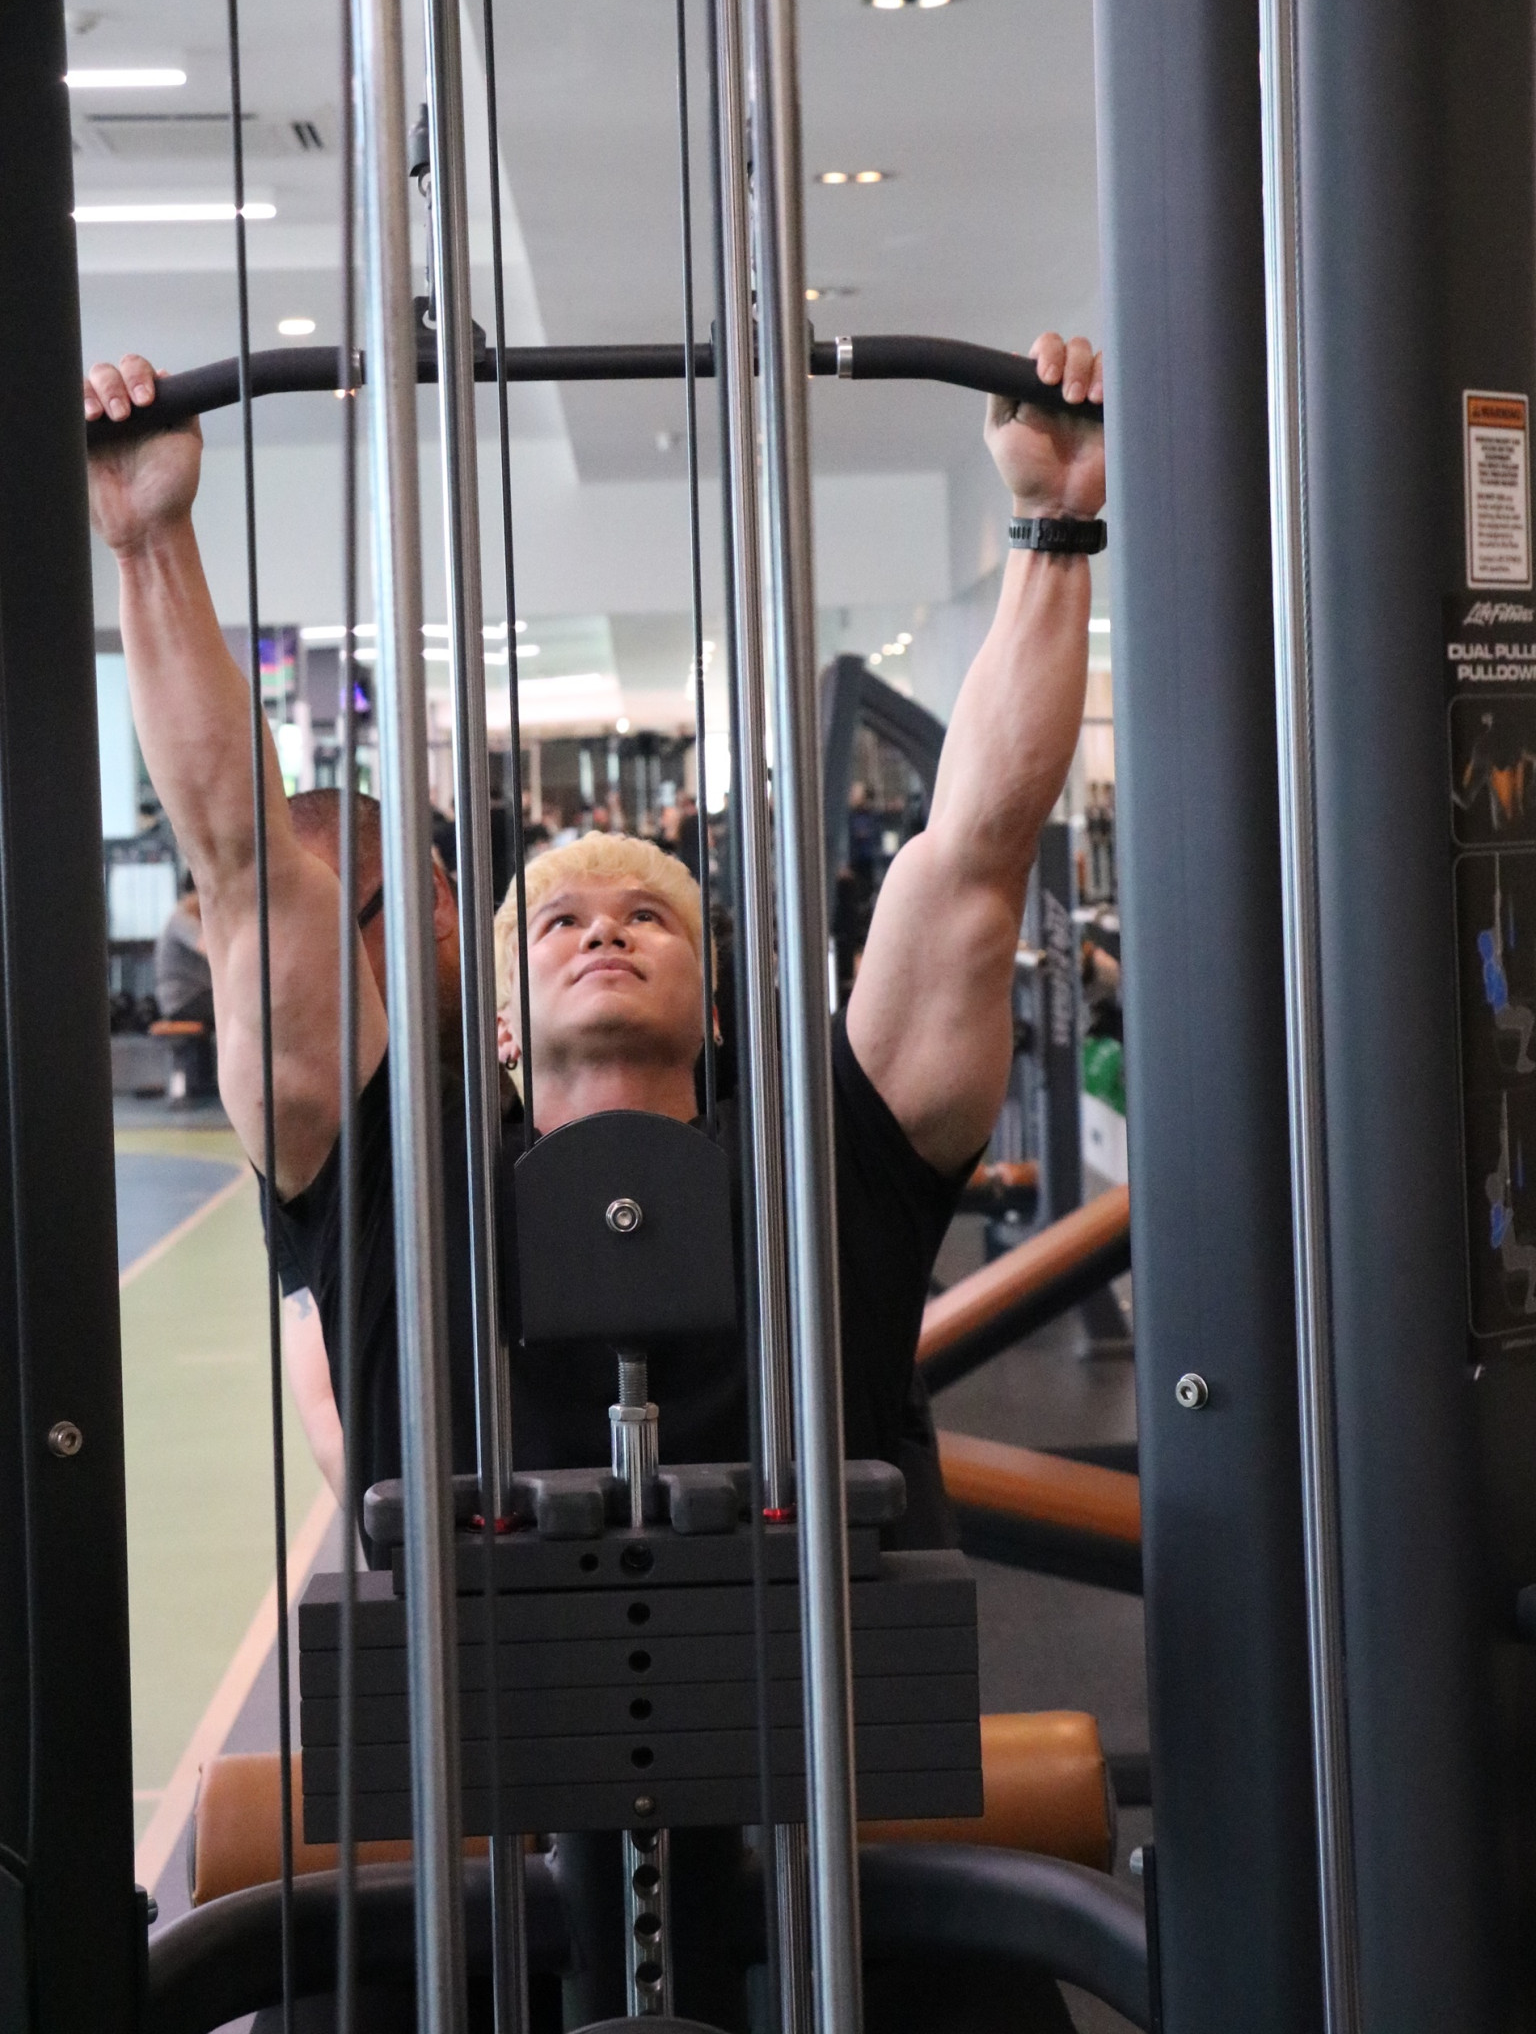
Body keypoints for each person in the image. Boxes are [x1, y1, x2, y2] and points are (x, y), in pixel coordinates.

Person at [83, 333, 1105, 1547]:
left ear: (711, 1009)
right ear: (502, 1023)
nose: (605, 926)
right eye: (560, 922)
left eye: (647, 916)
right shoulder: (402, 1192)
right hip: (483, 1671)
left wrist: (1054, 528)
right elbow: (244, 869)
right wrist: (148, 541)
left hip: (834, 1665)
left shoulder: (824, 1173)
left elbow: (978, 852)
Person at [153, 884, 214, 1027]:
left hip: (198, 995)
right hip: (183, 1000)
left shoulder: (190, 918)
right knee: (239, 1004)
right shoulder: (181, 918)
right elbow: (207, 947)